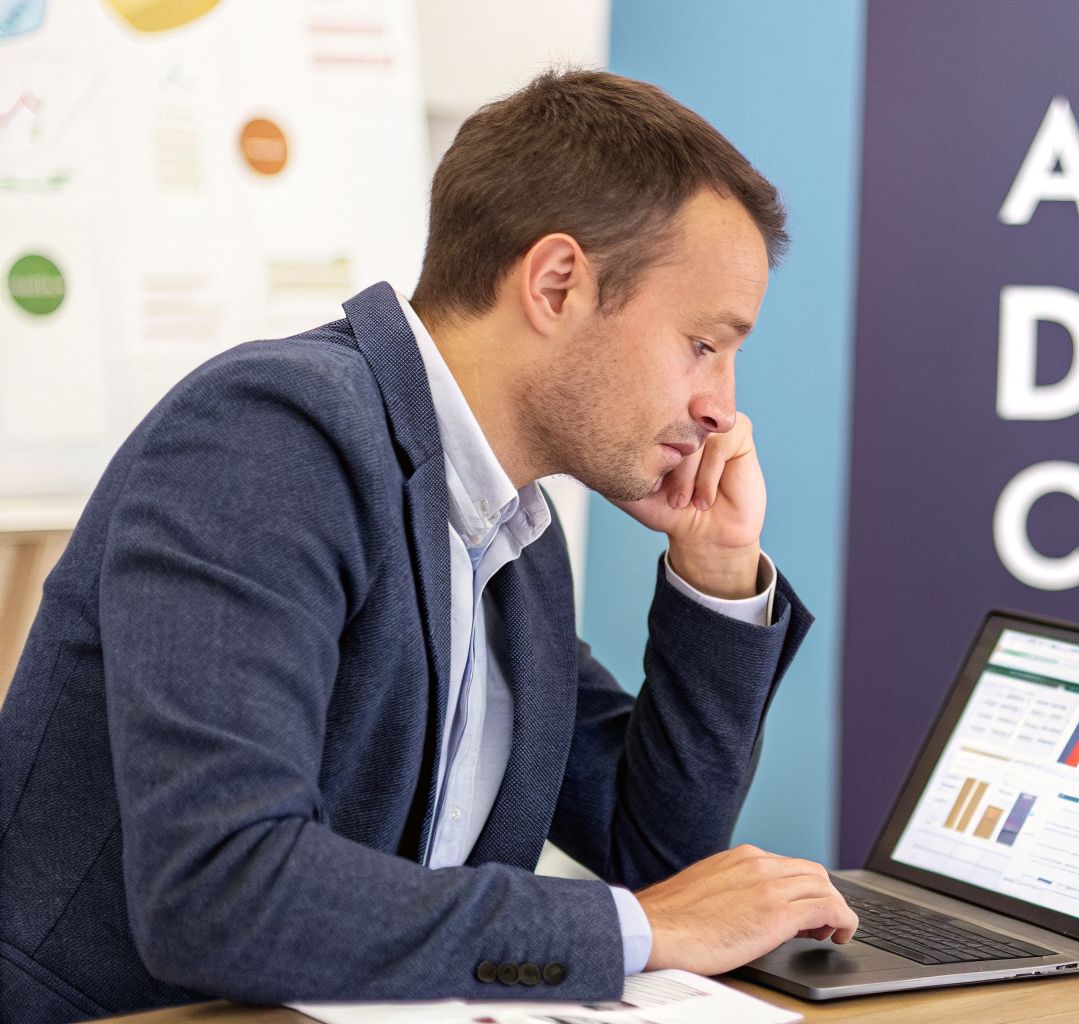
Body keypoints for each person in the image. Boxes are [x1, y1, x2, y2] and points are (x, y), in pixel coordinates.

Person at [0, 70, 856, 1023]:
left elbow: (655, 856)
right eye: (704, 342)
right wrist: (636, 930)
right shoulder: (270, 436)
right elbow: (222, 889)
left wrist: (718, 569)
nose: (721, 407)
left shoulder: (512, 536)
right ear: (557, 282)